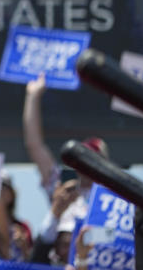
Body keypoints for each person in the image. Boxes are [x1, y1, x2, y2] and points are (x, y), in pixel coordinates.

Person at [23, 74, 107, 251]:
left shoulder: (112, 198)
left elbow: (116, 236)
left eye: (92, 159)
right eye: (81, 159)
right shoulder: (62, 187)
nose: (86, 165)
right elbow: (34, 145)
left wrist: (78, 237)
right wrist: (33, 95)